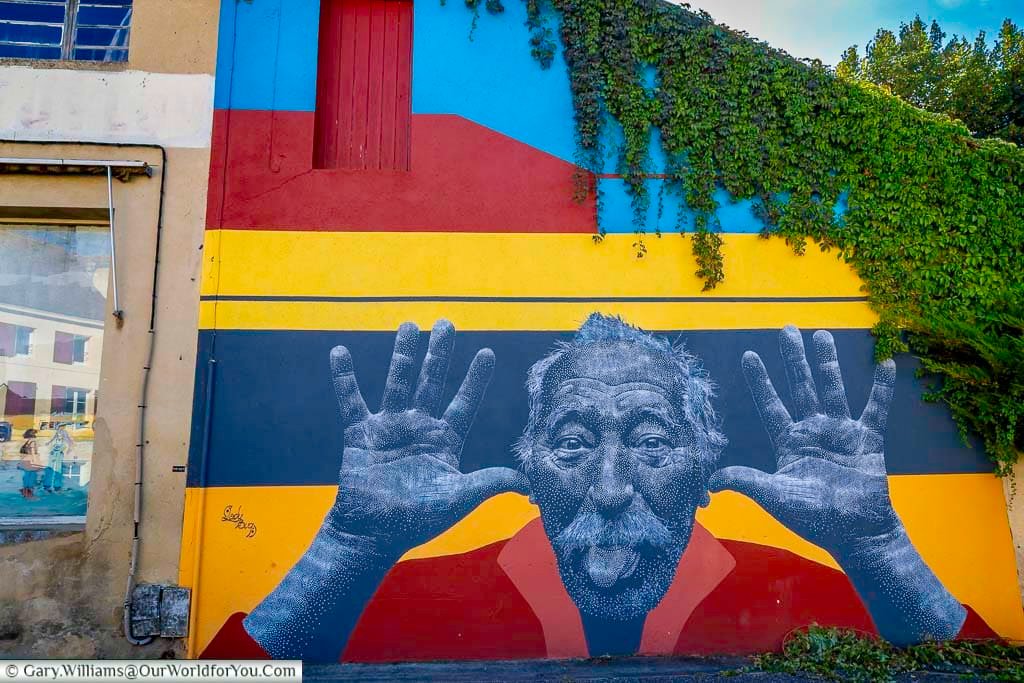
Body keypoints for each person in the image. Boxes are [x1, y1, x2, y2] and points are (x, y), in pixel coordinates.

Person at [202, 316, 995, 662]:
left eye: (651, 441)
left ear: (704, 467)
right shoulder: (392, 596)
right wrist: (347, 547)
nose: (611, 487)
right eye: (574, 443)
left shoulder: (840, 600)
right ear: (530, 468)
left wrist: (880, 547)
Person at [42, 424, 73, 493]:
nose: (60, 428)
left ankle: (55, 486)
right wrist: (49, 443)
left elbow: (68, 440)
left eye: (61, 427)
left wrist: (69, 448)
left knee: (57, 468)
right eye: (60, 427)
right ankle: (49, 486)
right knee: (51, 468)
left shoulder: (64, 432)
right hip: (55, 449)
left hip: (59, 450)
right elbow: (53, 438)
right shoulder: (57, 432)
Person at [17, 428, 43, 500]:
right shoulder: (33, 442)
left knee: (27, 476)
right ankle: (29, 494)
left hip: (25, 462)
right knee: (32, 477)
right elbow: (33, 453)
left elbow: (23, 453)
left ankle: (25, 492)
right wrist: (37, 462)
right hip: (31, 462)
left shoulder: (27, 442)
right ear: (33, 435)